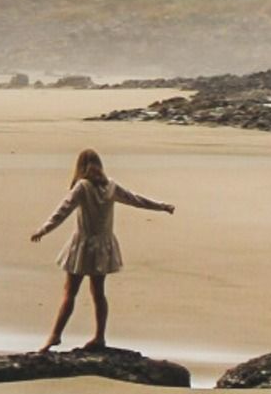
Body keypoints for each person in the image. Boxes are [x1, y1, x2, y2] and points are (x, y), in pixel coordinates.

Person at [29, 147, 174, 352]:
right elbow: (136, 199)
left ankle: (55, 335)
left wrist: (43, 230)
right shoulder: (110, 186)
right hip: (103, 247)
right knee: (98, 293)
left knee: (70, 292)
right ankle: (99, 336)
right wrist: (162, 206)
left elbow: (62, 211)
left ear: (80, 167)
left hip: (82, 245)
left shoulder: (82, 186)